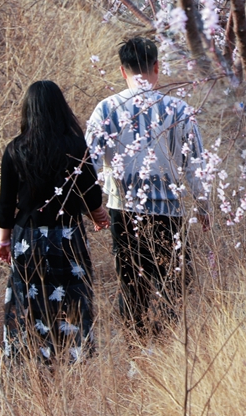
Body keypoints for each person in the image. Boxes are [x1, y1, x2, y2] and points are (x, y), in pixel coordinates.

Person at [86, 36, 210, 335]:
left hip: (123, 211)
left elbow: (87, 162)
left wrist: (94, 207)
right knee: (175, 281)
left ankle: (138, 345)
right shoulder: (180, 110)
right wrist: (204, 205)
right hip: (170, 211)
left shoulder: (106, 110)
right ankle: (167, 339)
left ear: (121, 70)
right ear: (157, 66)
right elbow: (195, 164)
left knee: (131, 283)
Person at [0, 80, 110, 363]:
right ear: (61, 109)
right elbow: (90, 192)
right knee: (72, 298)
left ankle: (33, 360)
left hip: (27, 239)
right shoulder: (74, 145)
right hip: (67, 236)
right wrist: (99, 216)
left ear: (28, 110)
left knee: (30, 302)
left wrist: (4, 239)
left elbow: (6, 202)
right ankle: (73, 357)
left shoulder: (14, 150)